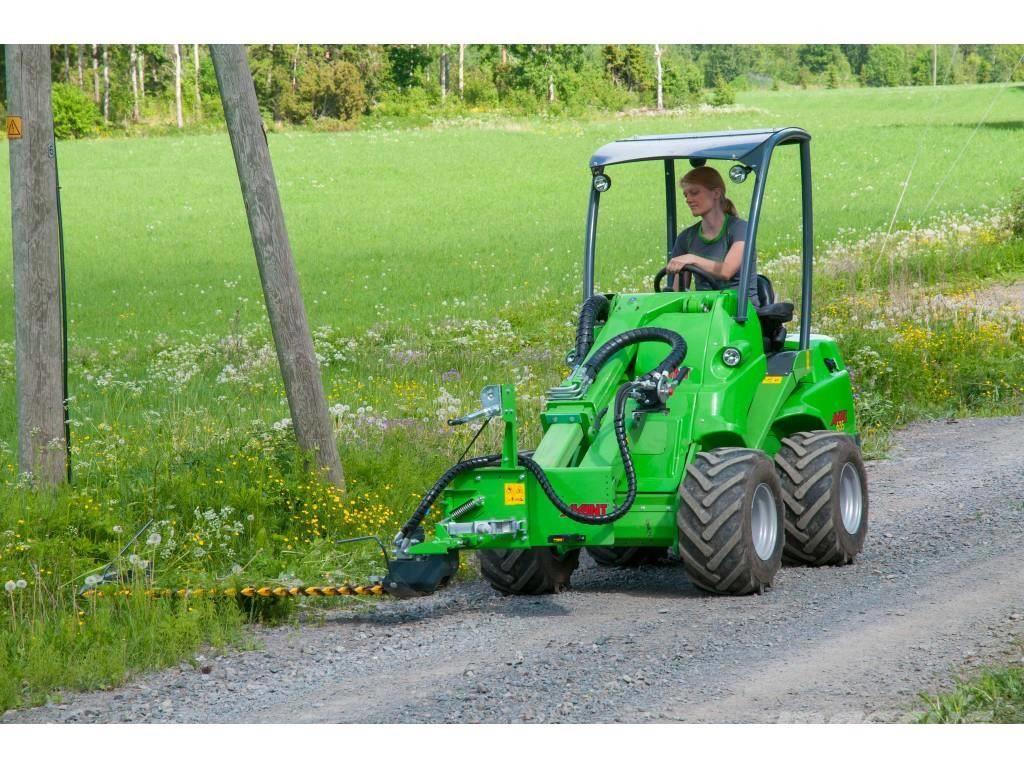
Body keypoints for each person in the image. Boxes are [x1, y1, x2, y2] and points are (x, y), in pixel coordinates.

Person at [665, 166, 760, 306]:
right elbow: (678, 293)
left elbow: (726, 271)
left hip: (740, 313)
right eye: (686, 195)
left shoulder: (740, 229)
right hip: (705, 311)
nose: (688, 199)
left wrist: (691, 259)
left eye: (694, 193)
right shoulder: (686, 238)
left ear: (716, 193)